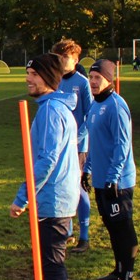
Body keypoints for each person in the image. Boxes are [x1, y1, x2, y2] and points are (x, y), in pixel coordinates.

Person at [9, 54, 80, 280]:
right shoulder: (54, 108)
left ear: (48, 78)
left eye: (34, 74)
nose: (28, 79)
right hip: (56, 199)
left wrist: (24, 196)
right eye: (27, 73)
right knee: (52, 267)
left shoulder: (52, 111)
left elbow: (47, 160)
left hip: (52, 202)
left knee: (53, 269)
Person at [86, 59, 140, 280]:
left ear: (109, 79)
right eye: (91, 77)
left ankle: (127, 278)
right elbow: (93, 141)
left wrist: (113, 177)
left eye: (98, 77)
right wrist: (87, 169)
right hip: (100, 178)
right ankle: (118, 270)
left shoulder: (116, 106)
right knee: (111, 226)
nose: (93, 82)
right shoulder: (95, 105)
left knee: (122, 227)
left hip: (117, 181)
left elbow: (122, 145)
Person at [51, 39, 93, 254]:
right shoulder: (54, 81)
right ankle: (67, 232)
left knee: (77, 188)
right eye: (57, 57)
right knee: (61, 187)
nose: (60, 61)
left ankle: (84, 237)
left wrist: (77, 137)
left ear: (75, 60)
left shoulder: (82, 83)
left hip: (77, 146)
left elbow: (90, 115)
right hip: (58, 145)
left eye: (64, 57)